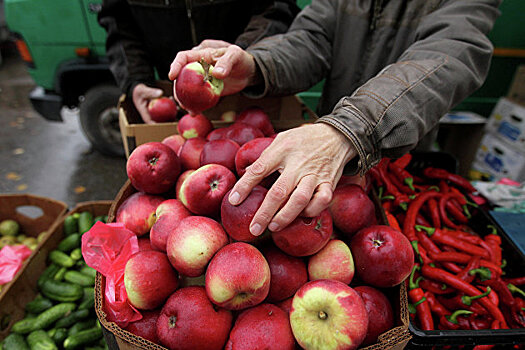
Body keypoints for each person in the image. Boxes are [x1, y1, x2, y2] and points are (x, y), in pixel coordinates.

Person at [168, 0, 501, 237]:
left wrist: (349, 128)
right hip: (316, 157)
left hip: (392, 155)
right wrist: (258, 65)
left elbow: (451, 53)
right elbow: (313, 38)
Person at [98, 0, 300, 123]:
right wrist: (136, 77)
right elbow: (118, 19)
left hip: (251, 90)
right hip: (172, 93)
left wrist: (248, 57)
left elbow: (276, 8)